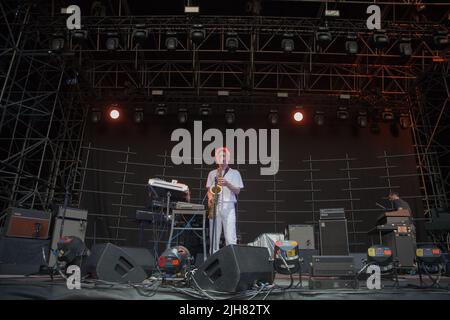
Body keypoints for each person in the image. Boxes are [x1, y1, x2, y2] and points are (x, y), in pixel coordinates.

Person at [206, 147, 244, 254]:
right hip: (215, 205)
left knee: (230, 236)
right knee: (214, 238)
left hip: (228, 206)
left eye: (224, 156)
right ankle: (212, 263)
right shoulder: (212, 173)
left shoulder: (235, 173)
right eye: (220, 156)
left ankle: (232, 263)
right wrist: (209, 199)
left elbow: (237, 191)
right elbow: (209, 190)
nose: (222, 159)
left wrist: (227, 184)